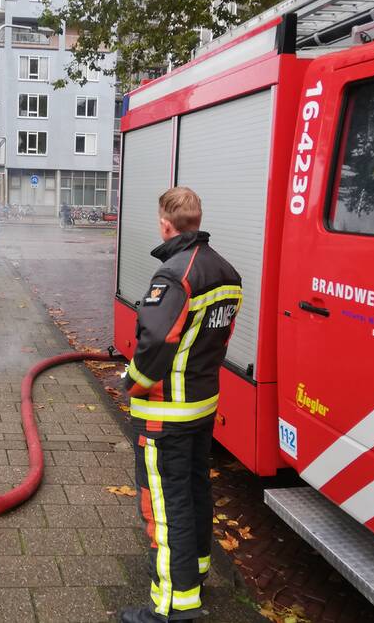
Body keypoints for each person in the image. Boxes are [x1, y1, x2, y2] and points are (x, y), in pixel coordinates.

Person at [119, 187, 243, 623]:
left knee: (166, 505)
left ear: (165, 224)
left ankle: (173, 605)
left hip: (165, 413)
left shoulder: (173, 275)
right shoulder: (228, 272)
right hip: (201, 405)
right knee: (194, 491)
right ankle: (195, 571)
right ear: (198, 219)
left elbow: (155, 342)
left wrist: (131, 383)